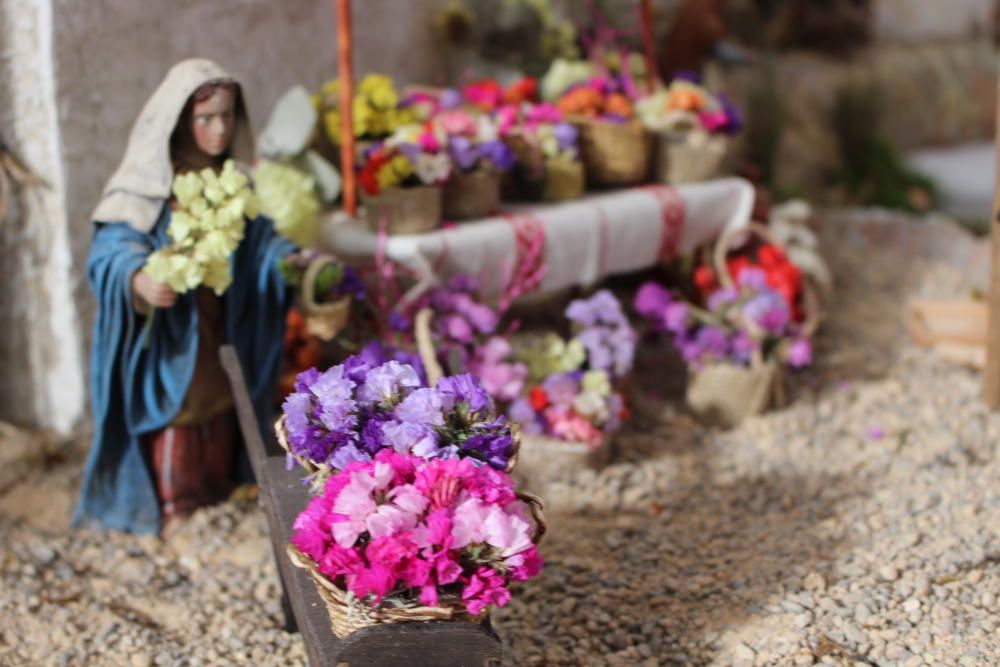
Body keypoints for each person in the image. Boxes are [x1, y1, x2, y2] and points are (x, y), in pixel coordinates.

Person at [73, 58, 296, 535]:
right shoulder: (148, 186)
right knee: (178, 405)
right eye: (206, 118)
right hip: (172, 331)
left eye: (228, 116)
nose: (219, 130)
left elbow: (261, 244)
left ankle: (217, 488)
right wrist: (138, 278)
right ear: (179, 121)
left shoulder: (234, 182)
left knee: (220, 401)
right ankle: (177, 501)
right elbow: (112, 249)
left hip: (221, 319)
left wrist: (292, 262)